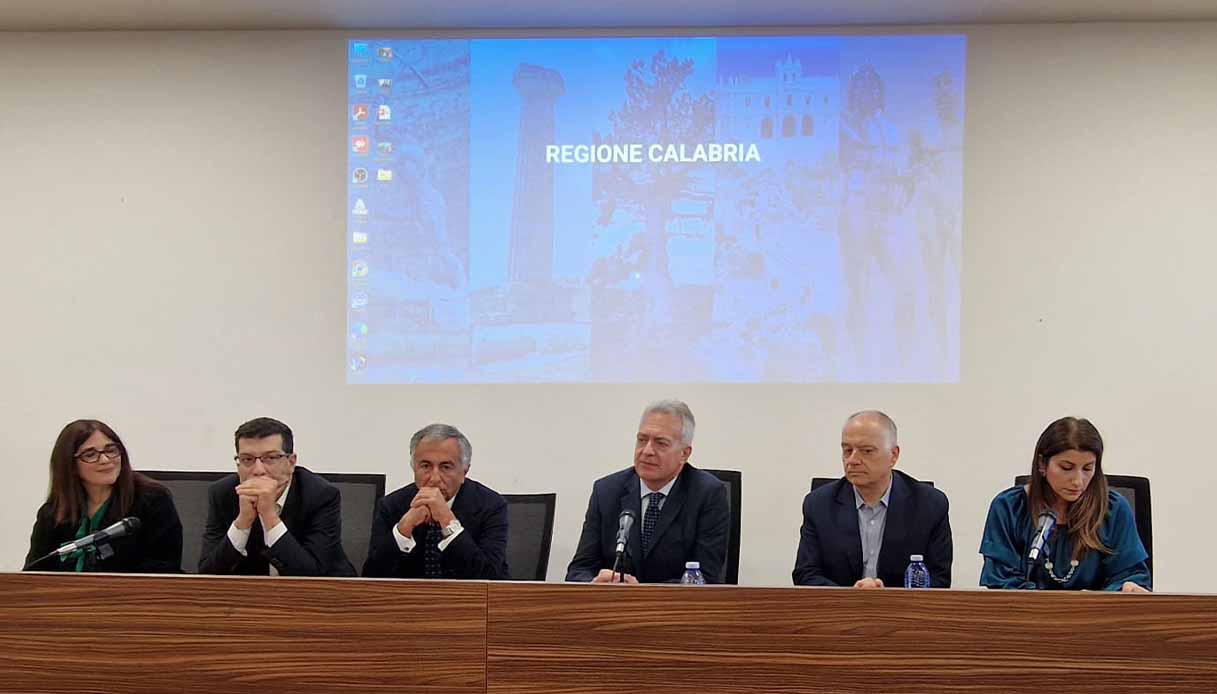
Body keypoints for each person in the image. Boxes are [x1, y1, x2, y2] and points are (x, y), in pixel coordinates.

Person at [566, 399, 729, 584]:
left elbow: (705, 577)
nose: (647, 451)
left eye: (661, 443)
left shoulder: (708, 494)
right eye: (642, 440)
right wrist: (595, 582)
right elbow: (579, 570)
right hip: (614, 601)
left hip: (674, 603)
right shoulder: (606, 491)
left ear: (684, 453)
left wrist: (641, 593)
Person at [980, 417, 1150, 592]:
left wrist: (1111, 594)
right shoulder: (1009, 508)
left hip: (1096, 609)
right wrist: (1053, 604)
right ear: (1042, 464)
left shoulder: (1113, 509)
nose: (1078, 481)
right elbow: (1002, 580)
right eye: (1066, 468)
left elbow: (1130, 575)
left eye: (1087, 468)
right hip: (1027, 609)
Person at [793, 410, 952, 588]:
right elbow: (806, 574)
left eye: (867, 451)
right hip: (838, 605)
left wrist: (889, 597)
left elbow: (939, 579)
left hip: (902, 605)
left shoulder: (929, 505)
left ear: (893, 455)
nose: (852, 460)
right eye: (847, 450)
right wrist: (849, 596)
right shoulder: (819, 504)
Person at [198, 417, 356, 576]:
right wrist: (243, 522)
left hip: (329, 589)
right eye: (247, 459)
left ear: (291, 462)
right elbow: (207, 575)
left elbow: (312, 575)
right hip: (251, 590)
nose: (258, 470)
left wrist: (269, 516)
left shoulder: (320, 495)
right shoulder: (223, 494)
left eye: (271, 458)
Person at [24, 419, 183, 573]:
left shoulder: (152, 500)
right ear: (70, 465)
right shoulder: (54, 512)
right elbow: (33, 574)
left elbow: (164, 568)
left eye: (111, 450)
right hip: (65, 592)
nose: (105, 460)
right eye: (90, 454)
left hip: (130, 591)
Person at [363, 423, 509, 579]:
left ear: (464, 472)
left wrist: (448, 521)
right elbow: (370, 578)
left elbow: (489, 578)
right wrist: (403, 529)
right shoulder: (391, 506)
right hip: (410, 594)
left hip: (466, 594)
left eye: (445, 467)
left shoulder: (491, 505)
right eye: (425, 466)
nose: (434, 478)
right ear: (414, 468)